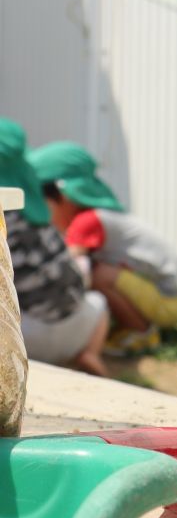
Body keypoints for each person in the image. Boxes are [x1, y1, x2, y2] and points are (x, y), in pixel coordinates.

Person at [27, 141, 177, 357]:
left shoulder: (87, 222)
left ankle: (141, 334)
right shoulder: (100, 215)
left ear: (63, 196)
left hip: (169, 299)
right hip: (176, 294)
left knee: (95, 275)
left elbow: (72, 268)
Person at [0, 120, 110, 376]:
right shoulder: (38, 214)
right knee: (99, 301)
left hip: (24, 341)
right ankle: (89, 354)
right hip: (76, 328)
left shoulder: (5, 216)